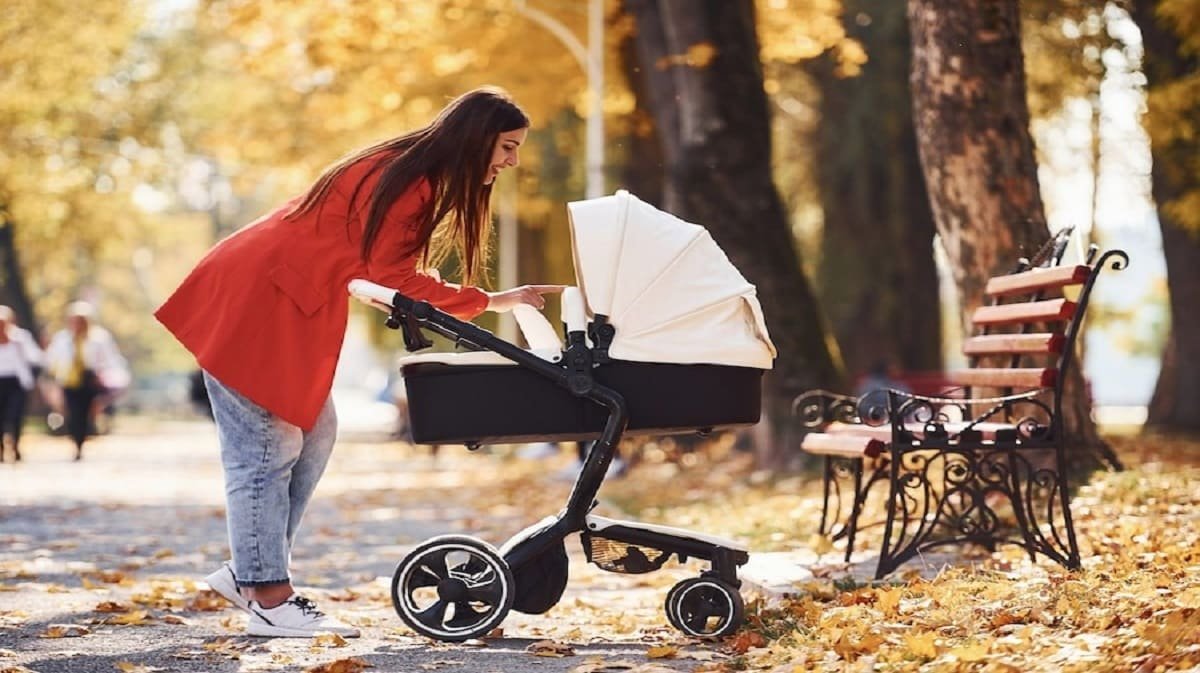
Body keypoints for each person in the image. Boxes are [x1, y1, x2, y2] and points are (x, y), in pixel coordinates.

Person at [155, 87, 561, 639]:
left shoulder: (413, 174)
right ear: (475, 140)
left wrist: (486, 301)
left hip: (280, 298)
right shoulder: (409, 181)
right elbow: (392, 278)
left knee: (315, 434)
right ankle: (269, 595)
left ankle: (249, 570)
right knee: (267, 449)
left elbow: (380, 273)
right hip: (257, 299)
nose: (512, 161)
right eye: (507, 147)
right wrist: (487, 301)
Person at [44, 301, 128, 461]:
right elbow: (51, 360)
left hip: (91, 380)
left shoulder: (100, 338)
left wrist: (109, 375)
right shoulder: (62, 339)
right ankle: (77, 443)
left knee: (84, 413)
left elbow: (111, 359)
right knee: (73, 414)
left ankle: (82, 440)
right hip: (69, 381)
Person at [0, 305, 44, 462]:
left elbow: (36, 357)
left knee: (14, 416)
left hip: (16, 383)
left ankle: (15, 446)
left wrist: (19, 347)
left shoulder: (20, 338)